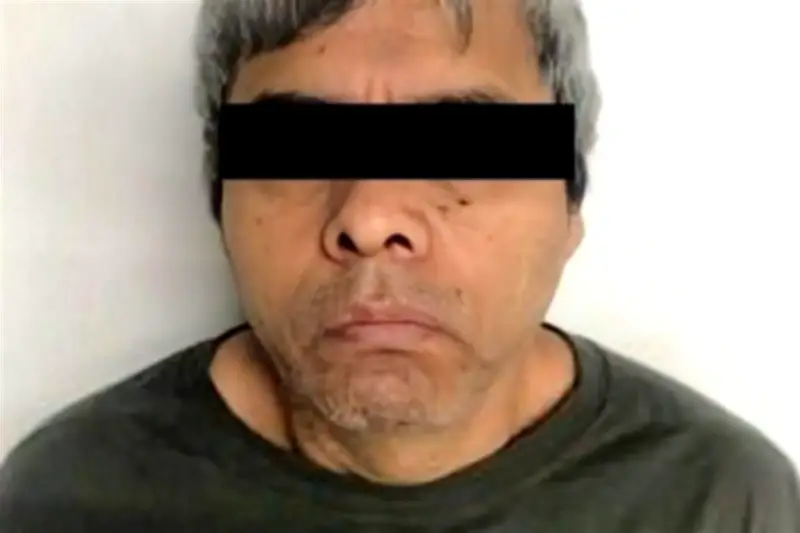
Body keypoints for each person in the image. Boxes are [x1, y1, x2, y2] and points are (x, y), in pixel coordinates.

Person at [1, 0, 798, 531]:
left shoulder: (722, 504)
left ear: (569, 207)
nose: (371, 216)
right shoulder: (66, 501)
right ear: (221, 202)